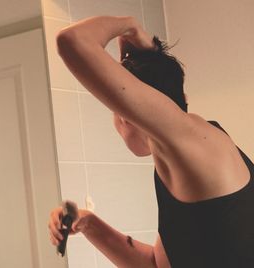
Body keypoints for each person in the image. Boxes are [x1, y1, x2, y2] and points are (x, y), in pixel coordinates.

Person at [48, 16, 254, 267]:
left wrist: (128, 26)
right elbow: (159, 264)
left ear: (125, 116)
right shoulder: (179, 161)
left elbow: (73, 41)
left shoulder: (193, 139)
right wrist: (88, 223)